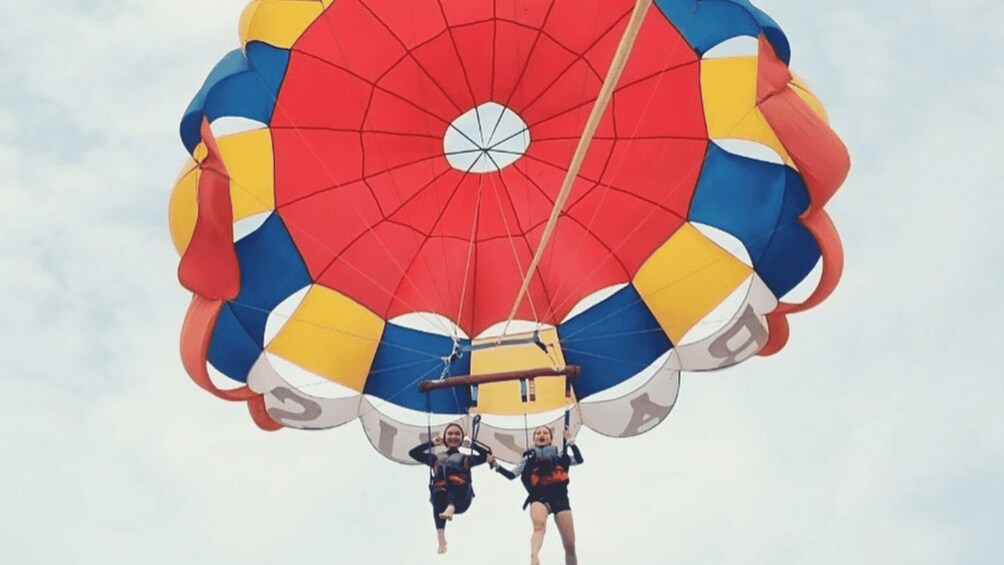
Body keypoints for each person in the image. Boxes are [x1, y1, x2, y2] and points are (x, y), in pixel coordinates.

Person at [488, 426, 583, 565]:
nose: (541, 435)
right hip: (539, 498)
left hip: (561, 499)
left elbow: (579, 460)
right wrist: (495, 465)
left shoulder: (561, 457)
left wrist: (571, 442)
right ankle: (534, 556)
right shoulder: (528, 460)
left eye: (545, 433)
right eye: (538, 433)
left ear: (551, 439)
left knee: (570, 545)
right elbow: (511, 475)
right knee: (539, 526)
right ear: (534, 440)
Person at [409, 422, 489, 554]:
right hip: (441, 500)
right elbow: (413, 453)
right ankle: (441, 536)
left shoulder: (466, 458)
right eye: (450, 434)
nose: (453, 436)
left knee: (452, 479)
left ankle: (451, 507)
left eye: (457, 434)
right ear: (445, 438)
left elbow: (486, 455)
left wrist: (472, 444)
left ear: (462, 438)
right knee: (438, 492)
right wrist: (431, 443)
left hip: (461, 498)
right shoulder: (435, 458)